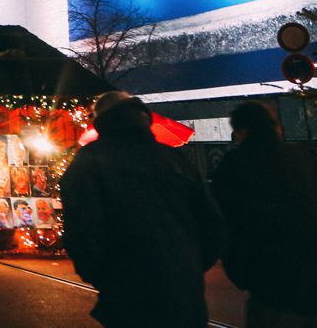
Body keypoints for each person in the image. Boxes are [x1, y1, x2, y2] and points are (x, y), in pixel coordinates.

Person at [62, 91, 226, 328]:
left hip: (127, 293)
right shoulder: (175, 159)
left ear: (100, 120)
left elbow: (82, 232)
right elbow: (214, 225)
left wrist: (104, 277)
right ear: (142, 117)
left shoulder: (89, 162)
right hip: (184, 289)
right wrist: (189, 264)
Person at [212, 100, 317, 327]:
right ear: (274, 126)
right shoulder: (305, 157)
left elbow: (229, 226)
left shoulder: (234, 165)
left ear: (240, 131)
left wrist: (244, 276)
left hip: (272, 288)